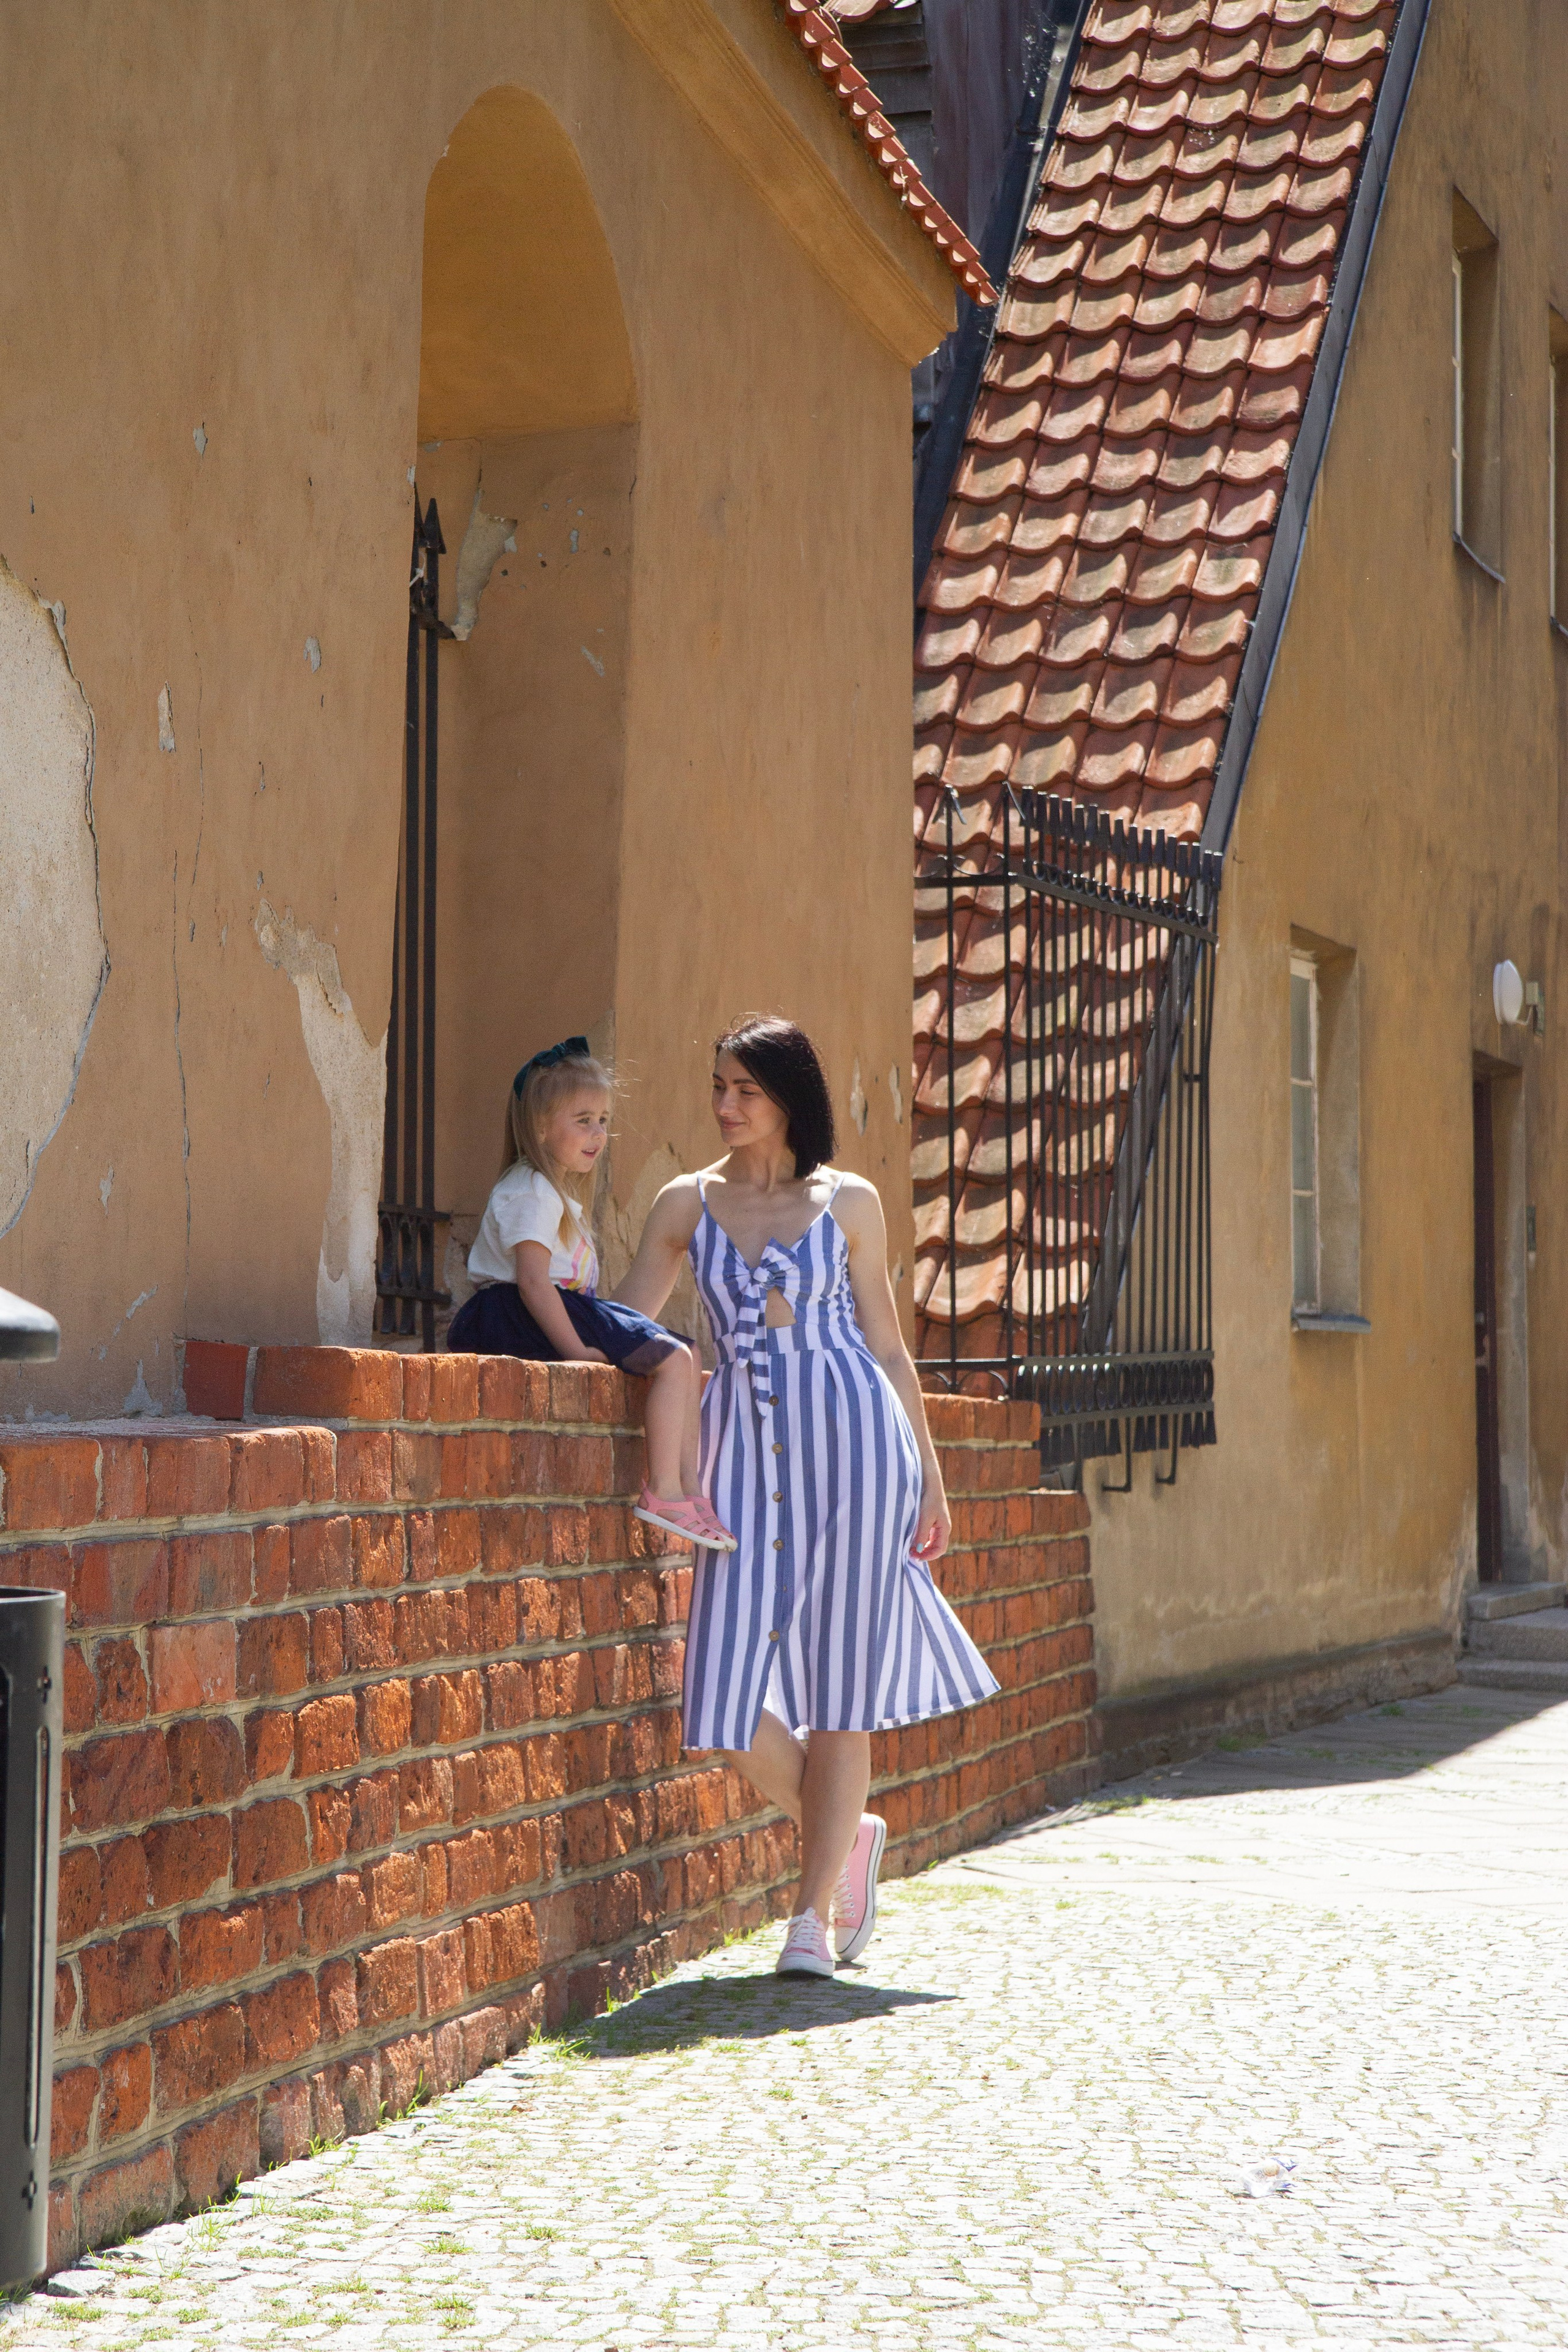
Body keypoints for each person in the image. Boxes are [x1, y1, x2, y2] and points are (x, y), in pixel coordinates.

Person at [616, 1014, 998, 1977]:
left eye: (745, 1090)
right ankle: (849, 1834)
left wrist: (932, 1477)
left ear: (789, 1097)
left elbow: (887, 1346)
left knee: (841, 1689)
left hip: (860, 1446)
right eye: (718, 1088)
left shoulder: (851, 1202)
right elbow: (625, 1326)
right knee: (719, 1695)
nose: (725, 1106)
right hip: (739, 1447)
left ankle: (808, 1924)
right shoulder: (684, 1203)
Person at [447, 1038, 735, 1553]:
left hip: (548, 1307)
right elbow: (534, 1281)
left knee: (686, 1353)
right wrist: (577, 1351)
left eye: (603, 1119)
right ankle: (665, 1490)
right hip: (517, 1313)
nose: (598, 1133)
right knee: (672, 1359)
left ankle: (688, 1491)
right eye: (583, 1120)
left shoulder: (550, 1191)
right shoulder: (530, 1188)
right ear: (539, 1127)